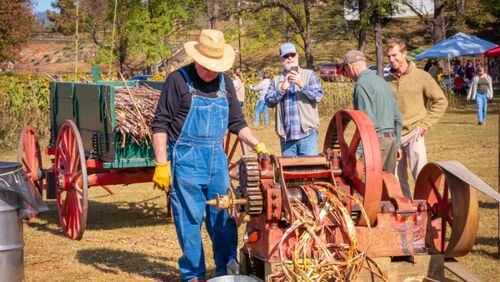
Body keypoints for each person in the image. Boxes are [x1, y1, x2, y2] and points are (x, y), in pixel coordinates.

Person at [151, 29, 269, 282]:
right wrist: (162, 164)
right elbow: (160, 124)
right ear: (197, 59)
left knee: (224, 216)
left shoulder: (225, 83)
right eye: (207, 66)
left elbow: (237, 122)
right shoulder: (178, 80)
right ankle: (193, 274)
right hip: (186, 161)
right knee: (189, 219)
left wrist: (258, 145)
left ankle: (227, 270)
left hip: (217, 161)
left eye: (216, 67)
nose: (211, 72)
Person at [384, 39, 448, 200]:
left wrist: (426, 123)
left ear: (404, 54)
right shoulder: (386, 81)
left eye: (395, 55)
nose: (392, 59)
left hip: (415, 132)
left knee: (421, 174)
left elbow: (441, 101)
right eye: (389, 56)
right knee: (397, 180)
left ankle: (426, 208)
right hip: (395, 135)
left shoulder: (422, 76)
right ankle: (405, 212)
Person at [342, 50, 402, 173]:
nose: (347, 74)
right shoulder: (381, 81)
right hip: (391, 141)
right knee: (385, 186)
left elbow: (366, 122)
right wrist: (397, 145)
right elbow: (398, 118)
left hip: (376, 143)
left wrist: (357, 153)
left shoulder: (362, 85)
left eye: (345, 71)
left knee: (364, 187)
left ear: (350, 66)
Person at [265, 42, 323, 157]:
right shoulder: (276, 80)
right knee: (290, 173)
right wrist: (282, 89)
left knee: (310, 171)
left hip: (308, 135)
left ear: (297, 56)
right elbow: (268, 101)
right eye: (286, 56)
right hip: (287, 138)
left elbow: (318, 96)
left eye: (292, 55)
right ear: (281, 59)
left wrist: (302, 85)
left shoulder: (309, 74)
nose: (289, 58)